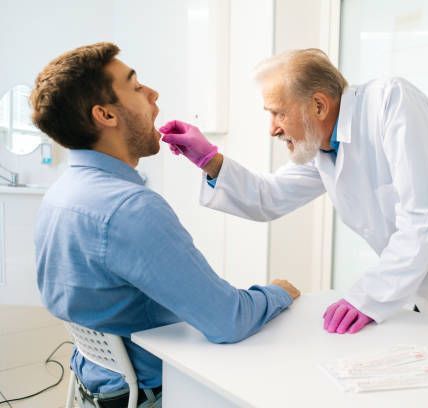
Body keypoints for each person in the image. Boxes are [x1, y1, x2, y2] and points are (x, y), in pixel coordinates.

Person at [160, 48, 428, 346]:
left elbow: (426, 215)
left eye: (277, 113)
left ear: (318, 104)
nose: (273, 128)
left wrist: (367, 297)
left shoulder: (391, 103)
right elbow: (269, 197)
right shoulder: (323, 148)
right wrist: (210, 160)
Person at [31, 42, 300, 408]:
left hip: (95, 382)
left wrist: (212, 161)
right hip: (153, 395)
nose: (153, 93)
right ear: (105, 115)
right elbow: (229, 321)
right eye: (136, 85)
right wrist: (279, 292)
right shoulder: (130, 209)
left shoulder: (62, 193)